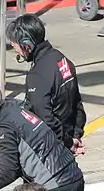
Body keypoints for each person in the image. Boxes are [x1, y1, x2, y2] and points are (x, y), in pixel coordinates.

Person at [8, 14, 87, 155]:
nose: (17, 52)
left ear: (27, 45)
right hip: (65, 140)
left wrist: (68, 143)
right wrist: (75, 135)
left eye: (16, 47)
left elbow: (45, 119)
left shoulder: (37, 75)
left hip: (49, 148)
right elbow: (77, 103)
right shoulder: (63, 60)